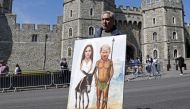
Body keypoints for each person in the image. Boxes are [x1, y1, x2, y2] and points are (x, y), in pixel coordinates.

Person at [93, 44, 114, 109]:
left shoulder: (110, 62)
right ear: (100, 53)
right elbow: (94, 72)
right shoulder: (98, 62)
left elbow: (112, 71)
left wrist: (109, 80)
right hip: (99, 82)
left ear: (109, 53)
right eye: (103, 52)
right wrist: (96, 80)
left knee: (105, 99)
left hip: (106, 83)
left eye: (106, 52)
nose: (104, 54)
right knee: (98, 98)